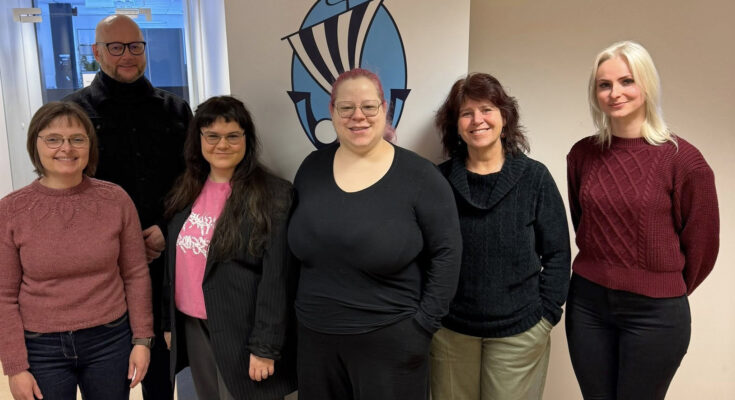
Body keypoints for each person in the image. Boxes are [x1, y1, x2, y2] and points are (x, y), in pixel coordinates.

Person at [287, 68, 462, 400]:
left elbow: (447, 254)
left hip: (391, 343)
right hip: (315, 342)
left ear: (384, 108)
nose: (358, 116)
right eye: (346, 107)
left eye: (368, 106)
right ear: (332, 111)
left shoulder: (420, 176)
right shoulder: (311, 169)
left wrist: (423, 327)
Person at [565, 41, 720, 400]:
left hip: (655, 314)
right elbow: (584, 222)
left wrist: (660, 287)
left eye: (626, 81)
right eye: (604, 85)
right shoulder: (582, 154)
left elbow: (703, 246)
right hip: (587, 305)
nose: (615, 93)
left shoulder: (684, 161)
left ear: (646, 84)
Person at [63, 15, 192, 399]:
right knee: (108, 375)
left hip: (165, 260)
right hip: (103, 268)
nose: (127, 55)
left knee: (162, 372)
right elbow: (66, 190)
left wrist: (167, 230)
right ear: (96, 51)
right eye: (116, 47)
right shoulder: (74, 113)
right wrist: (124, 241)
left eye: (135, 46)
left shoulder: (176, 110)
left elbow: (193, 183)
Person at [430, 73, 571, 400]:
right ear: (456, 126)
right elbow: (426, 254)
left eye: (487, 109)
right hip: (450, 332)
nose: (477, 120)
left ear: (505, 119)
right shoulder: (437, 181)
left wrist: (546, 316)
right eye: (466, 113)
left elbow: (558, 253)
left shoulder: (535, 178)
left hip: (519, 333)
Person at [0, 102, 153, 400]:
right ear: (35, 145)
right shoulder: (11, 210)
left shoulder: (116, 200)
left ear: (90, 145)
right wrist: (15, 367)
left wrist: (142, 339)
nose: (66, 148)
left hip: (110, 341)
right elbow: (4, 295)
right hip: (41, 348)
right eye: (53, 139)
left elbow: (135, 273)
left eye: (77, 139)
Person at [161, 96, 297, 400]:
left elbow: (277, 278)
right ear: (198, 139)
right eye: (212, 136)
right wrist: (169, 323)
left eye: (233, 136)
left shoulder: (273, 195)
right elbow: (174, 264)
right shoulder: (186, 189)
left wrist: (265, 346)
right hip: (193, 325)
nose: (222, 145)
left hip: (243, 330)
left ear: (246, 139)